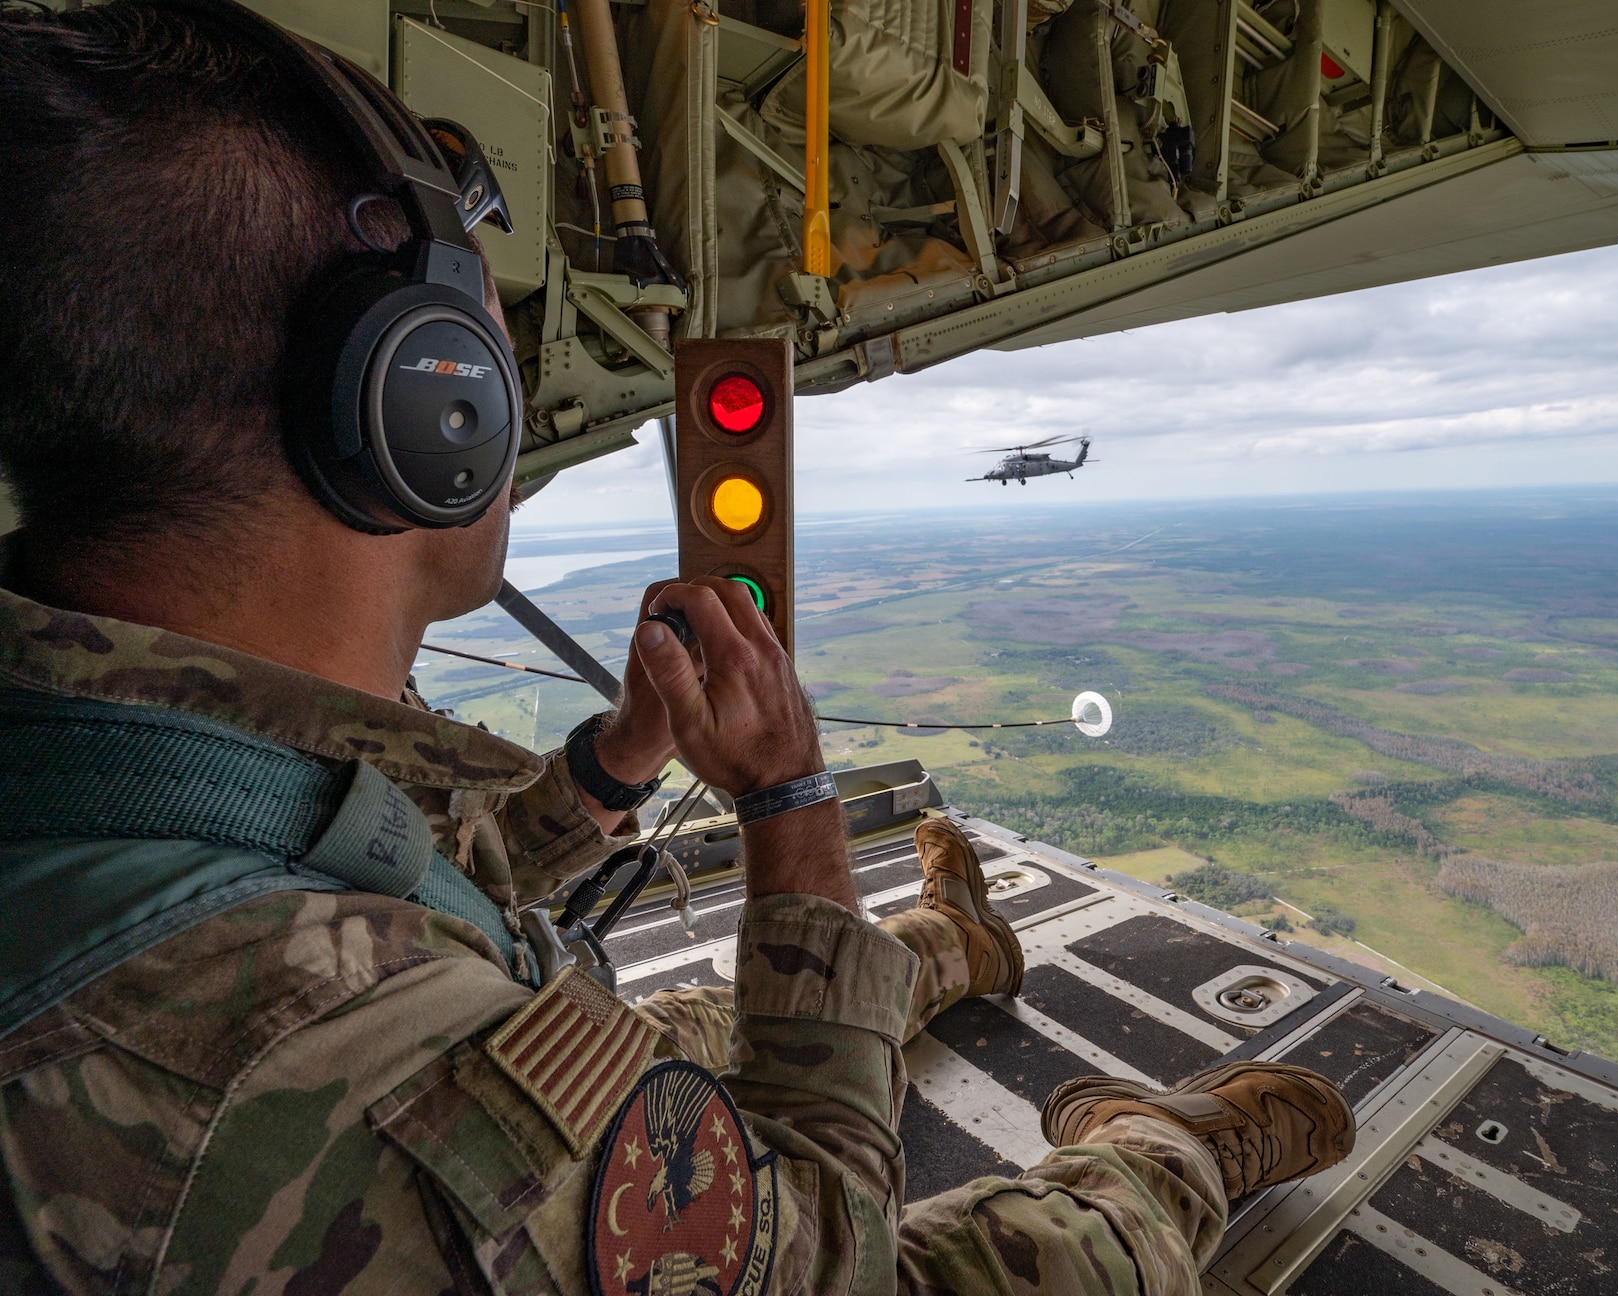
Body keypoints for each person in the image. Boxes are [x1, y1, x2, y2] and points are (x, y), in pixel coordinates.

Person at [0, 4, 1356, 1294]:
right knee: (1043, 1265)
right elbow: (838, 1251)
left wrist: (618, 757)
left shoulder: (125, 751)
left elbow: (353, 864)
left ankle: (955, 940)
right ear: (429, 402)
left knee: (703, 1029)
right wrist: (788, 799)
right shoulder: (401, 1086)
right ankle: (1174, 1152)